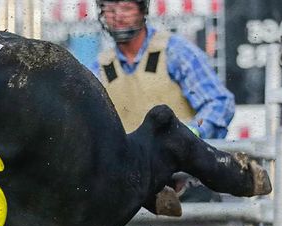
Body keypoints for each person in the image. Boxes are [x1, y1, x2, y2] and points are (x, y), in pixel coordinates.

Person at [90, 0, 235, 140]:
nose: (118, 16)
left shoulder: (175, 51)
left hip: (179, 161)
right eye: (110, 10)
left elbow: (219, 103)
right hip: (129, 163)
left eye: (127, 8)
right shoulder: (101, 66)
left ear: (142, 10)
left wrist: (193, 132)